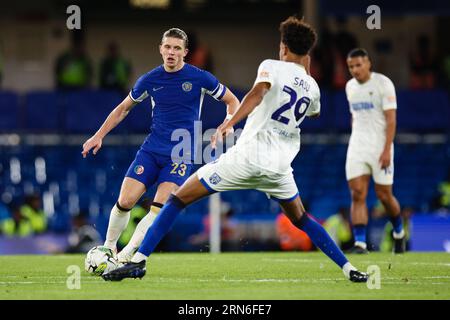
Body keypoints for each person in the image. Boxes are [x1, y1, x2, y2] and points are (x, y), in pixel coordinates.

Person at [104, 17, 368, 283]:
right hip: (279, 169)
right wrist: (304, 74)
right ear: (307, 53)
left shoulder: (271, 66)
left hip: (247, 158)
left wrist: (230, 121)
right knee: (302, 218)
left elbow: (256, 94)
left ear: (283, 47)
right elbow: (313, 113)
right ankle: (349, 269)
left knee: (177, 200)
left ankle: (138, 262)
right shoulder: (312, 86)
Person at [82, 28, 240, 263]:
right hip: (151, 150)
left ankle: (127, 255)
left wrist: (226, 125)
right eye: (167, 47)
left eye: (177, 48)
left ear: (185, 52)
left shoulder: (200, 78)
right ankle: (109, 248)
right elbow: (123, 109)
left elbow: (233, 102)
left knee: (158, 208)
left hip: (180, 153)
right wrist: (98, 135)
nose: (171, 52)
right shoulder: (149, 79)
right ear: (160, 49)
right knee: (125, 201)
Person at [345, 48, 405, 254]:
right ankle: (360, 243)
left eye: (359, 65)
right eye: (351, 66)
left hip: (380, 147)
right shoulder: (350, 87)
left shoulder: (383, 84)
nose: (355, 70)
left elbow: (391, 119)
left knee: (384, 196)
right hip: (357, 147)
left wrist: (387, 149)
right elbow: (355, 117)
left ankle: (399, 231)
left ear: (368, 63)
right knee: (358, 194)